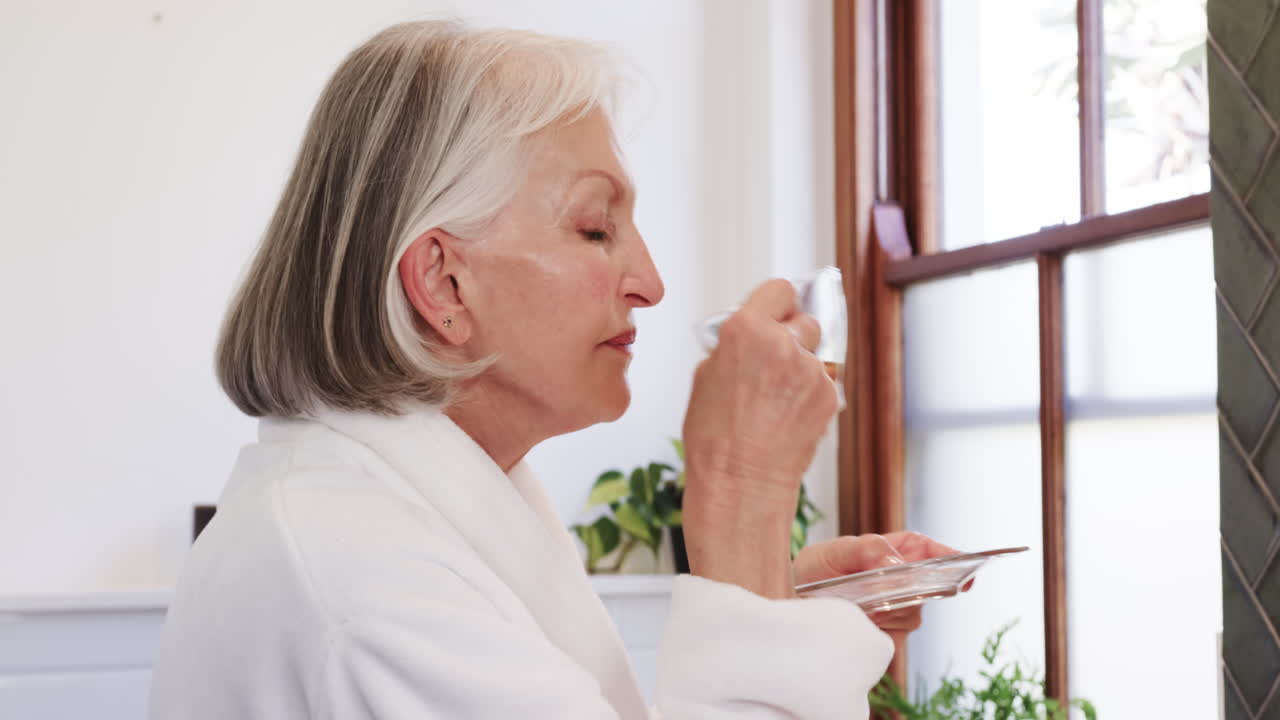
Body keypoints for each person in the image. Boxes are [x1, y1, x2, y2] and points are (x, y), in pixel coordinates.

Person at [149, 20, 957, 719]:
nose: (650, 282)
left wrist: (770, 601)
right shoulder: (355, 572)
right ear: (443, 282)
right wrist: (741, 492)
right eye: (597, 228)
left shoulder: (426, 517)